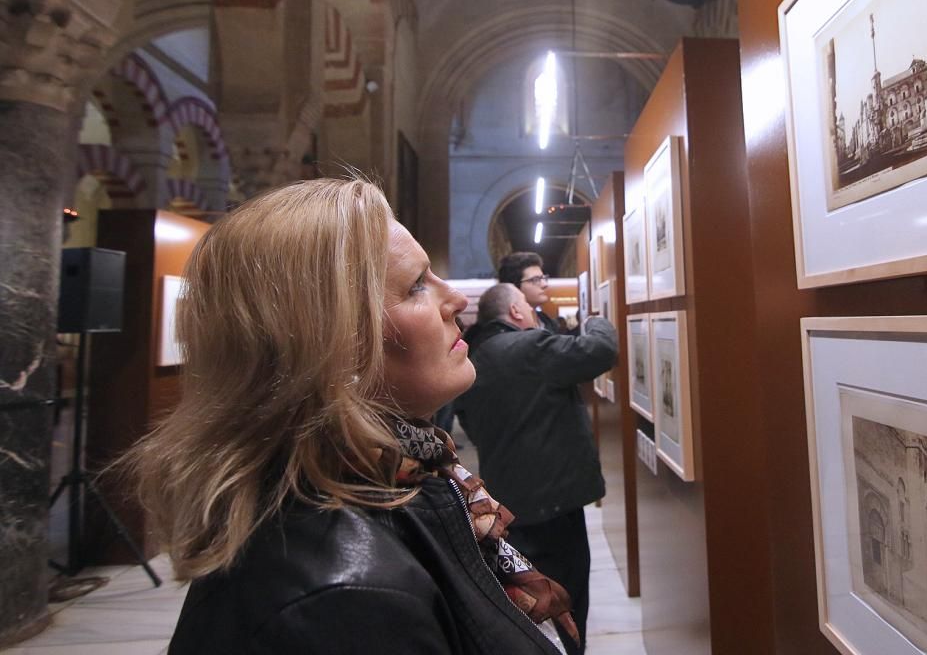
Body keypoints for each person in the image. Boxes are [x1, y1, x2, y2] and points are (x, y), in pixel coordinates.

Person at [124, 178, 576, 654]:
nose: (458, 300)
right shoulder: (339, 599)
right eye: (417, 285)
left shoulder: (410, 478)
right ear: (334, 343)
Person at [455, 283, 618, 654]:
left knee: (532, 604)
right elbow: (600, 350)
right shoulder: (528, 347)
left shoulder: (475, 357)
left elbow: (470, 424)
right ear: (515, 311)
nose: (533, 313)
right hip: (555, 505)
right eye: (528, 306)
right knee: (568, 602)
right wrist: (595, 321)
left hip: (511, 505)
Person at [497, 251, 558, 331]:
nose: (544, 284)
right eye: (535, 280)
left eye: (544, 278)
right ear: (514, 286)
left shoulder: (549, 324)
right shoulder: (505, 330)